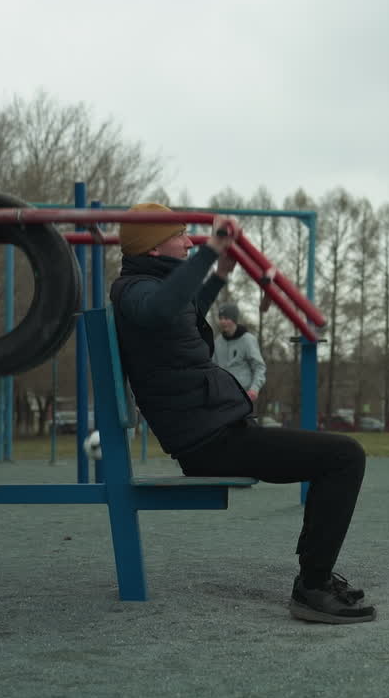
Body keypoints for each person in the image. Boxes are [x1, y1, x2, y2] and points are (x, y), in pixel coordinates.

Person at [109, 203, 374, 624]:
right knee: (344, 456)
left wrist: (219, 271)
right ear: (155, 248)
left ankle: (316, 578)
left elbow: (183, 309)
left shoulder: (147, 287)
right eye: (179, 235)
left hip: (214, 433)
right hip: (210, 443)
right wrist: (213, 248)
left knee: (336, 455)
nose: (188, 241)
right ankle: (313, 585)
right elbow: (163, 308)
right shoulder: (135, 292)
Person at [214, 302, 266, 401]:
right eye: (221, 318)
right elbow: (213, 369)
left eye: (226, 318)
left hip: (243, 396)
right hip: (222, 397)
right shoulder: (217, 342)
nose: (223, 321)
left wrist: (254, 389)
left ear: (234, 319)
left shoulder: (247, 340)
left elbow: (259, 367)